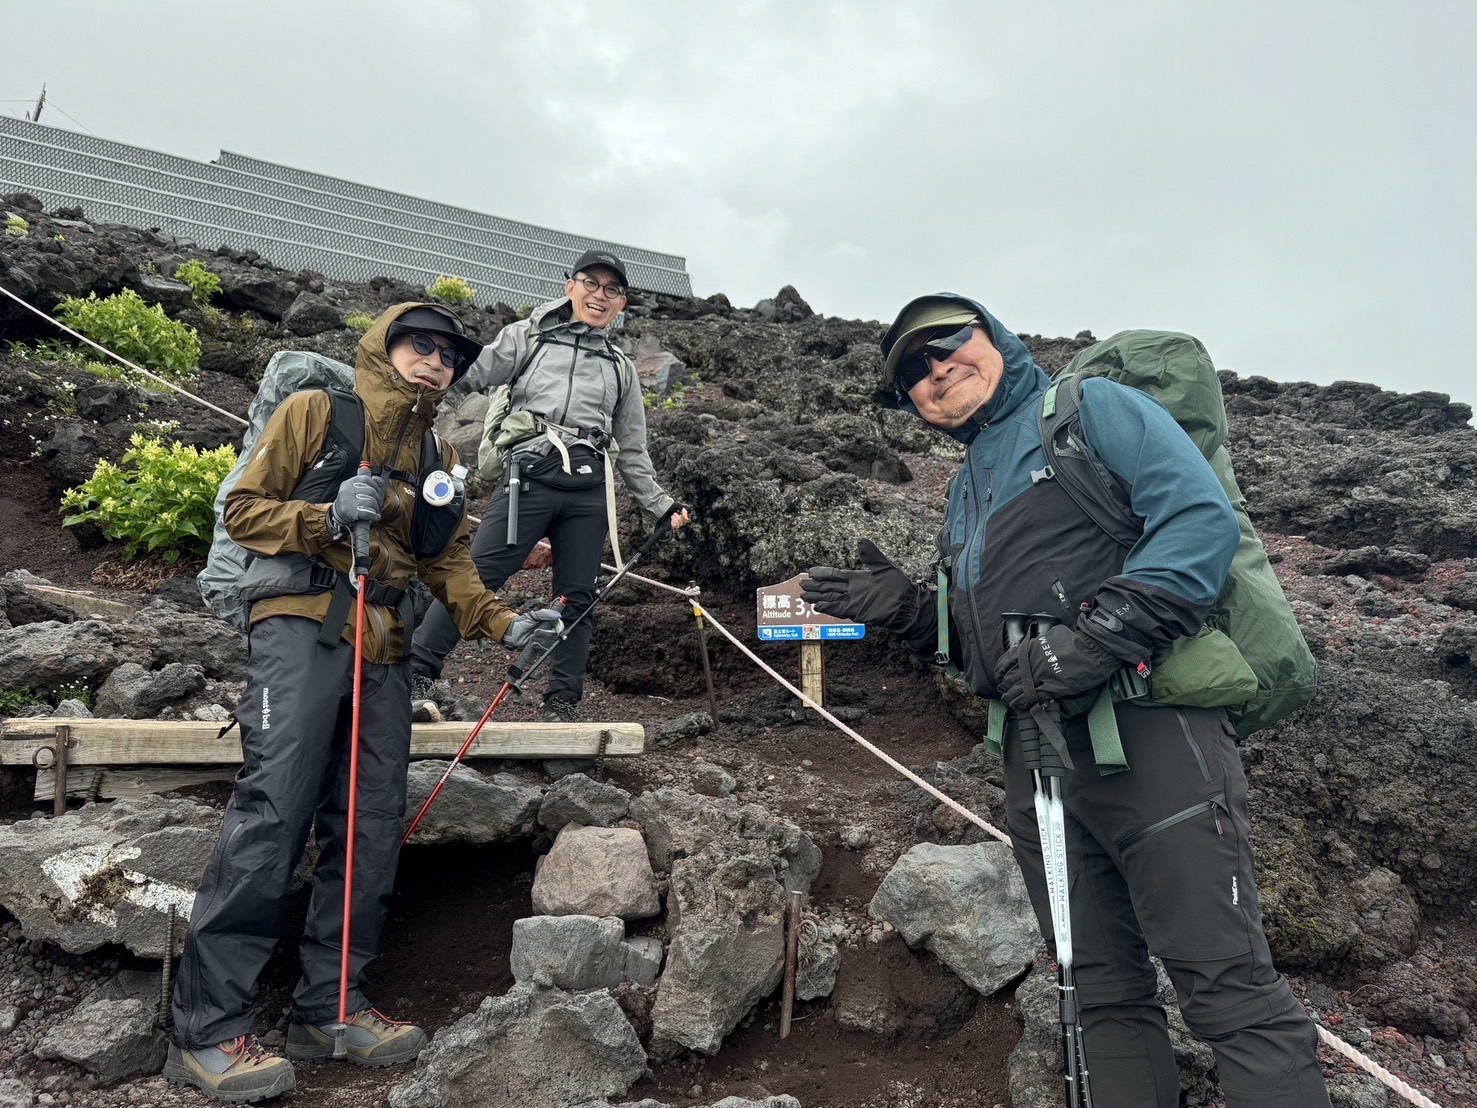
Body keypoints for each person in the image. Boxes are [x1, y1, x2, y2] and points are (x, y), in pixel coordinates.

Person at [801, 294, 1330, 1107]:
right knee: (1097, 994)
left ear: (996, 340)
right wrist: (911, 611)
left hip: (1151, 736)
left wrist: (1095, 638)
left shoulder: (1088, 411)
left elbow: (1196, 522)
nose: (934, 368)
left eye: (947, 344)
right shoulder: (963, 490)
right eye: (912, 370)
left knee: (1226, 989)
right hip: (1036, 762)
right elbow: (990, 651)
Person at [164, 304, 563, 1103]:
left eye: (450, 356)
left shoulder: (436, 454)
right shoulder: (315, 411)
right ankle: (206, 1033)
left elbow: (448, 564)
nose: (437, 362)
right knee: (275, 810)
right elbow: (243, 508)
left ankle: (329, 1010)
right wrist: (322, 517)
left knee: (372, 822)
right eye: (422, 345)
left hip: (383, 648)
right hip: (301, 629)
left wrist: (508, 623)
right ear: (383, 348)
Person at [408, 249, 688, 722]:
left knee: (578, 597)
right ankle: (418, 672)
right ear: (570, 286)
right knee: (477, 574)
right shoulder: (527, 337)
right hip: (529, 477)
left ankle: (561, 703)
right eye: (591, 284)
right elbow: (469, 373)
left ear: (622, 304)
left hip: (589, 490)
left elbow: (633, 449)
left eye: (612, 290)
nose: (600, 295)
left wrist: (660, 505)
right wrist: (417, 383)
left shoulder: (620, 369)